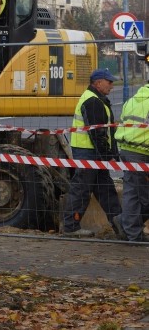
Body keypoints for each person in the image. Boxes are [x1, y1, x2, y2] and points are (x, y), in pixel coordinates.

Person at [62, 68, 122, 237]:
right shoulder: (93, 101)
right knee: (82, 188)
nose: (111, 85)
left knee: (105, 189)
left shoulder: (97, 99)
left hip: (93, 152)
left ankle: (121, 225)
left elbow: (103, 132)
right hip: (88, 152)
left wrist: (109, 153)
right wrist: (107, 156)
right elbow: (97, 133)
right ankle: (70, 226)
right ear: (98, 83)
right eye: (109, 82)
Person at [113, 83, 149, 243]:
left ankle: (127, 227)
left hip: (127, 151)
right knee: (144, 196)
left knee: (132, 193)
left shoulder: (132, 101)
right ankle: (131, 230)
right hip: (142, 153)